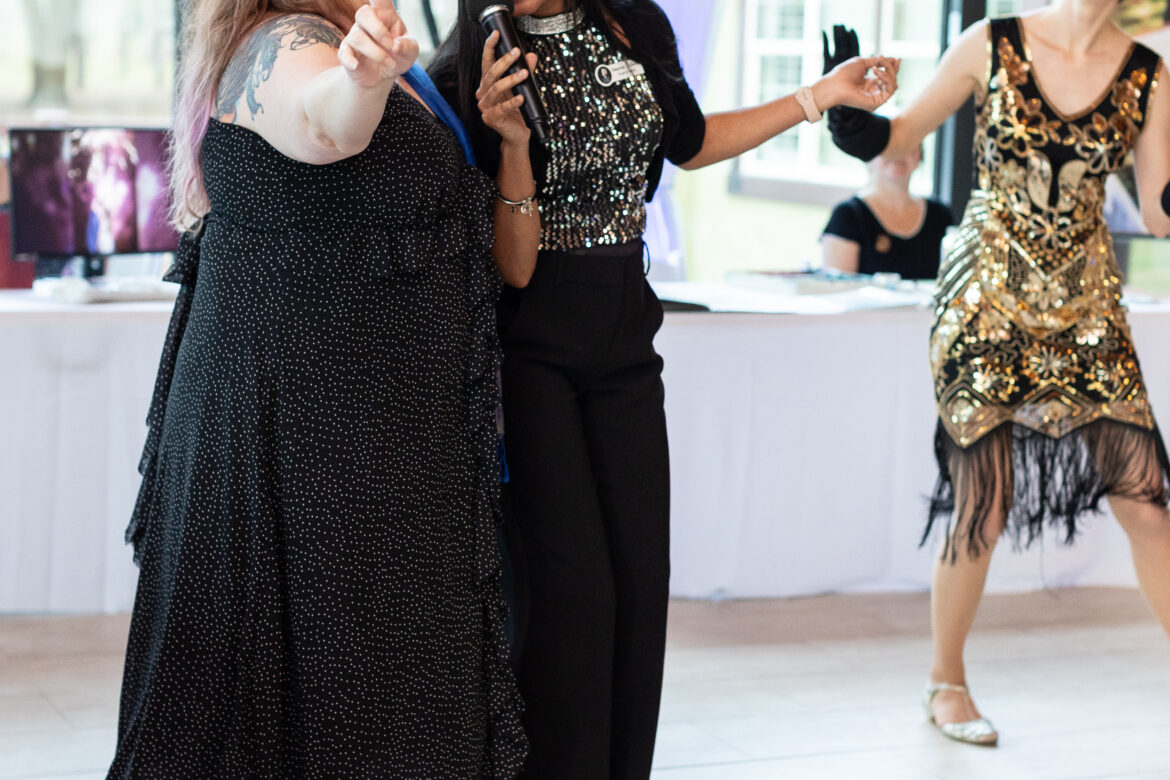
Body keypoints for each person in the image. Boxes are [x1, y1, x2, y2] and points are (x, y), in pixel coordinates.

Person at [431, 4, 897, 776]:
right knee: (575, 597)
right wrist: (510, 141)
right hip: (531, 351)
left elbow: (691, 141)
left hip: (626, 345)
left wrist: (819, 95)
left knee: (643, 590)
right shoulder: (468, 69)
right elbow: (502, 261)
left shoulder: (633, 23)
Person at [107, 0, 540, 775]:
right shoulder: (285, 41)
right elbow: (327, 121)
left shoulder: (337, 36)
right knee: (322, 698)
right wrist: (361, 76)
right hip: (313, 445)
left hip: (365, 438)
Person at [827, 0, 1170, 747]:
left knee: (1146, 501)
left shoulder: (1149, 73)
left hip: (1087, 304)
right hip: (986, 294)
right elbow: (904, 133)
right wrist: (857, 124)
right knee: (985, 493)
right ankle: (945, 682)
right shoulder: (991, 41)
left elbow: (1156, 210)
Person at [820, 145, 953, 279]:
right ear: (869, 155)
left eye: (909, 144)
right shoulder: (847, 215)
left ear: (920, 155)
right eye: (887, 146)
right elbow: (836, 290)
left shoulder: (940, 215)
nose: (897, 154)